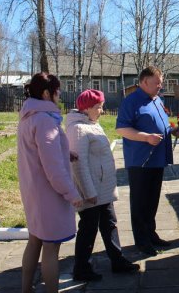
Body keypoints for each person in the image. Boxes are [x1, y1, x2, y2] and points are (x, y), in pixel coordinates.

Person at [17, 72, 83, 293]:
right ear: (47, 94)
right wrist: (72, 194)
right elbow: (53, 169)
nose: (59, 96)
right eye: (57, 92)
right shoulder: (45, 120)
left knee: (34, 240)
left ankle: (26, 289)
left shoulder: (29, 116)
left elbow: (40, 153)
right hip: (49, 195)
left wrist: (66, 153)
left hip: (33, 190)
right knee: (51, 247)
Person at [66, 89, 139, 281]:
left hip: (102, 187)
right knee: (88, 229)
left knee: (110, 224)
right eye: (98, 107)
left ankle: (117, 260)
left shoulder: (91, 124)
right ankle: (81, 268)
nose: (102, 111)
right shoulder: (78, 129)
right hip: (91, 190)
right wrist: (88, 193)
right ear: (86, 108)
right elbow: (79, 165)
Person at [116, 66, 179, 256]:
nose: (160, 86)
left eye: (161, 82)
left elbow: (161, 124)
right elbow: (122, 129)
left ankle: (151, 234)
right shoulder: (131, 101)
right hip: (140, 160)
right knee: (140, 202)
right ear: (144, 82)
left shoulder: (157, 100)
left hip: (158, 158)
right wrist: (145, 137)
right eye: (157, 83)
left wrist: (172, 130)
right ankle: (141, 241)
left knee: (152, 200)